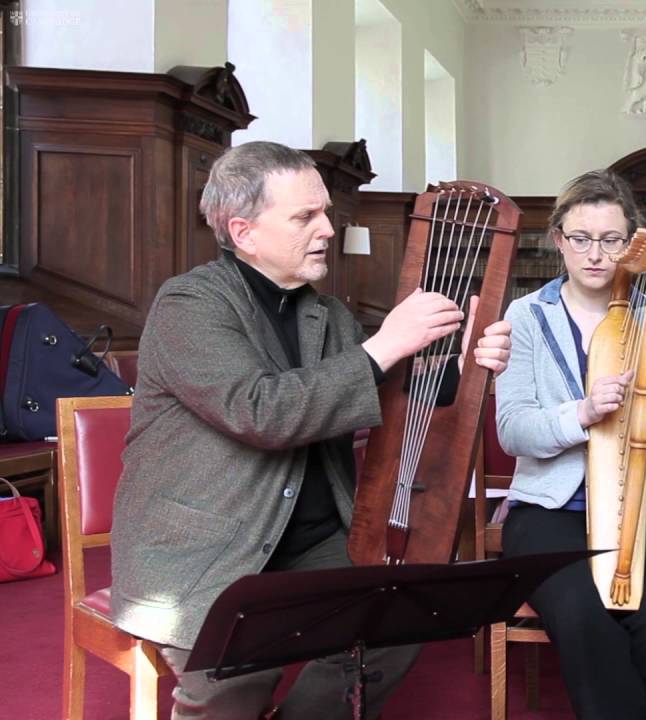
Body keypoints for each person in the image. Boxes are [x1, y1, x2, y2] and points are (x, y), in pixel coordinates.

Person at [110, 141, 512, 720]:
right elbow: (261, 413)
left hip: (312, 539)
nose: (327, 228)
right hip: (206, 548)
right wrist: (387, 344)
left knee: (404, 613)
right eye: (305, 216)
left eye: (325, 211)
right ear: (243, 231)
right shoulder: (189, 305)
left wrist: (468, 361)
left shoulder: (326, 314)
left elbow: (401, 397)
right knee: (241, 672)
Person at [494, 170, 646, 720]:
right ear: (558, 238)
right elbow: (512, 429)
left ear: (633, 242)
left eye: (610, 240)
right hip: (546, 511)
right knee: (587, 618)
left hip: (642, 504)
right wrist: (582, 413)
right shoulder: (526, 317)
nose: (594, 254)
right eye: (580, 238)